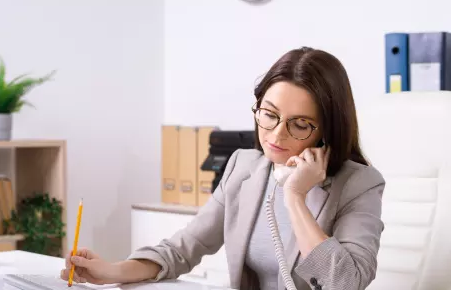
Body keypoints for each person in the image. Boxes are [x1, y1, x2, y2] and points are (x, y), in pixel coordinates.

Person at [60, 47, 386, 290]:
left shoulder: (360, 184)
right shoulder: (244, 167)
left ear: (327, 130)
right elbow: (182, 249)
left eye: (299, 124)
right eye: (269, 114)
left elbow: (346, 283)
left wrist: (295, 198)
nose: (275, 134)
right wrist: (112, 271)